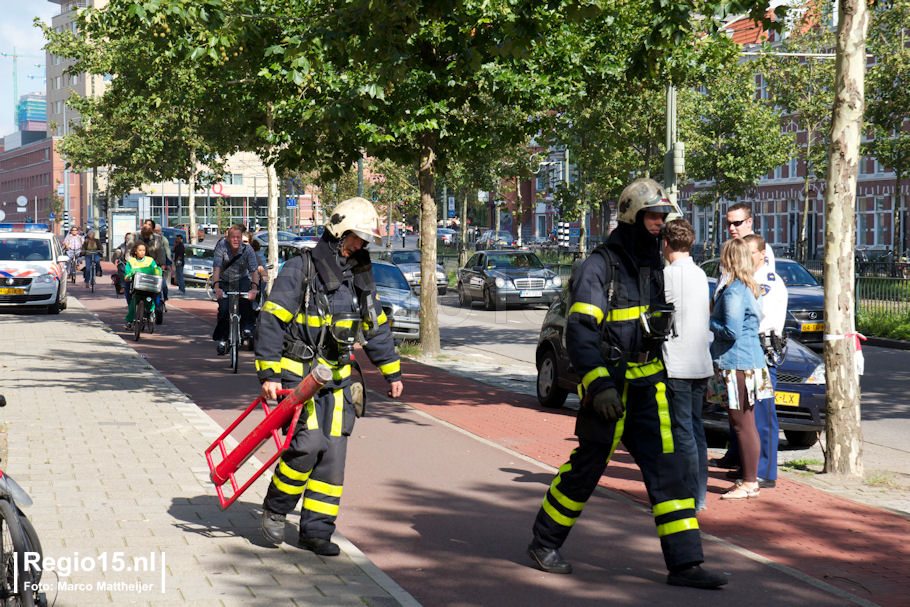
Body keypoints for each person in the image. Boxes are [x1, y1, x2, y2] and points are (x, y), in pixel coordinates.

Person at [527, 179, 726, 589]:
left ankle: (685, 563)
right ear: (632, 217)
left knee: (670, 473)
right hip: (610, 391)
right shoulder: (600, 266)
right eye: (652, 217)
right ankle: (544, 542)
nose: (659, 225)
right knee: (587, 469)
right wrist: (598, 386)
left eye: (661, 217)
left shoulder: (653, 266)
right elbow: (580, 333)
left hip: (649, 388)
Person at [255, 197, 403, 556]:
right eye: (357, 236)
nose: (362, 244)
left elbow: (376, 324)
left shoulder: (361, 274)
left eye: (365, 239)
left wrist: (391, 370)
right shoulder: (301, 267)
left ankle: (316, 531)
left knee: (333, 456)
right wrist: (269, 372)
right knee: (308, 445)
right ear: (339, 230)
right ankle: (275, 511)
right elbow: (272, 319)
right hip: (298, 374)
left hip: (337, 379)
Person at [711, 202, 775, 472]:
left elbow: (737, 325)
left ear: (749, 222)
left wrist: (711, 321)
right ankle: (745, 468)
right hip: (743, 356)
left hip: (743, 357)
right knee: (741, 422)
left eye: (737, 223)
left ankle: (757, 475)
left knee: (751, 422)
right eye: (729, 223)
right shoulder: (739, 277)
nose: (732, 228)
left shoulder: (754, 259)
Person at [661, 219, 713, 513]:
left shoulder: (670, 275)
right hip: (700, 362)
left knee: (682, 432)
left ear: (665, 243)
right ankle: (700, 494)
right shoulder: (699, 273)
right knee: (696, 430)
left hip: (678, 363)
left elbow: (657, 315)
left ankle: (689, 496)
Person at [743, 233, 788, 488]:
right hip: (751, 350)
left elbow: (758, 318)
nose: (747, 257)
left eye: (751, 252)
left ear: (762, 254)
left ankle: (765, 471)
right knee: (750, 411)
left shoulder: (767, 282)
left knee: (762, 412)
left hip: (760, 350)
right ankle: (750, 466)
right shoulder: (750, 279)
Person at [212, 224, 261, 355]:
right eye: (233, 237)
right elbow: (216, 268)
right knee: (223, 309)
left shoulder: (248, 250)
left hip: (242, 280)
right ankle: (222, 340)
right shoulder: (221, 247)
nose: (236, 240)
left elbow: (254, 271)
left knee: (246, 303)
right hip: (224, 281)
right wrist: (216, 287)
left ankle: (247, 328)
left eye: (238, 237)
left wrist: (254, 290)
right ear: (228, 238)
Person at [129, 220, 170, 302]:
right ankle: (130, 303)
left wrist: (162, 264)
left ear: (153, 229)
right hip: (138, 266)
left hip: (152, 267)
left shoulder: (157, 239)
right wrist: (130, 263)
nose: (146, 226)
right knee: (128, 284)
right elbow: (129, 251)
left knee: (162, 285)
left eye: (149, 225)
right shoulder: (135, 236)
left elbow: (161, 252)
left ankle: (161, 302)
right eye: (145, 224)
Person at [123, 242, 162, 329]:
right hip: (136, 287)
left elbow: (156, 270)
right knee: (133, 304)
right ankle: (129, 322)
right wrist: (127, 276)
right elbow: (127, 273)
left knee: (149, 301)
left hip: (149, 287)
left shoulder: (150, 260)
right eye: (140, 250)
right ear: (135, 251)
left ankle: (151, 314)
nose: (142, 252)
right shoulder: (131, 262)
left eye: (144, 250)